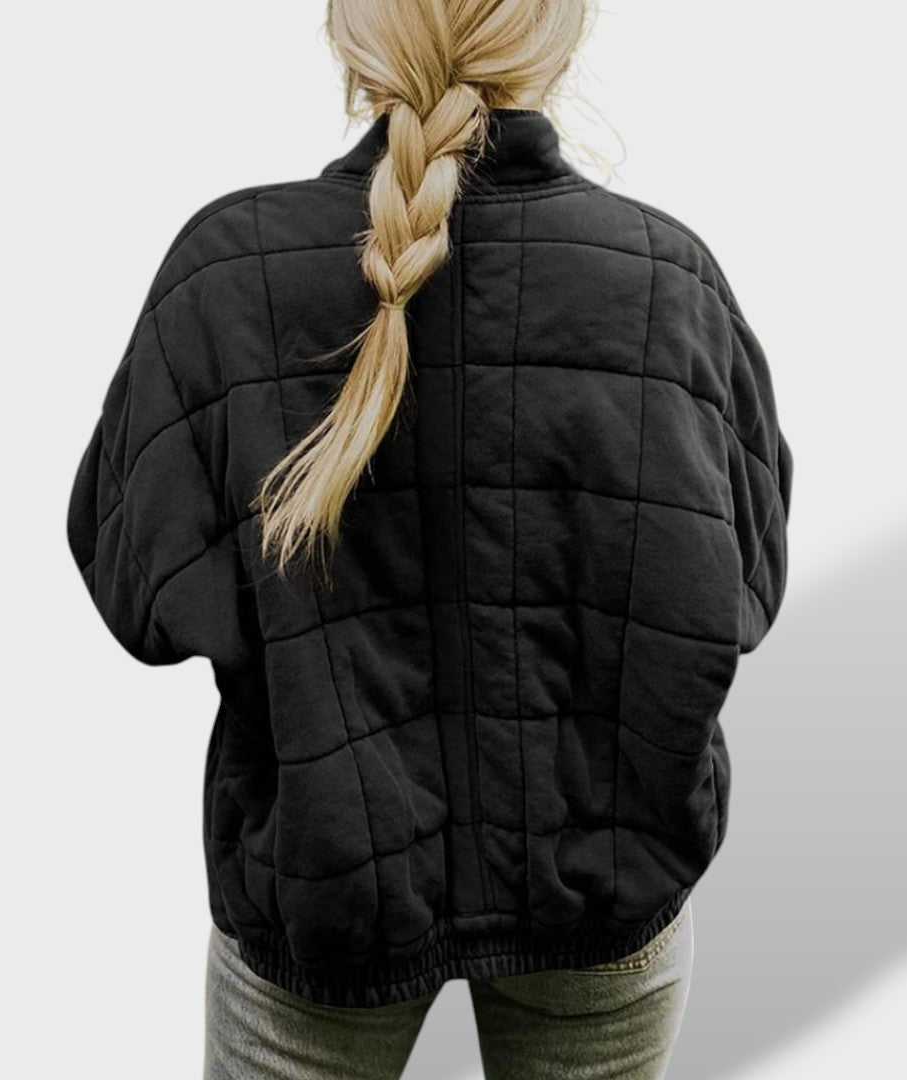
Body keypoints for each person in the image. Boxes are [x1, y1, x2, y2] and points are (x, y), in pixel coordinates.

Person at [66, 1, 793, 1077]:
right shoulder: (667, 283)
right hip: (605, 882)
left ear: (349, 34)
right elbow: (749, 589)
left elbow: (138, 594)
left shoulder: (228, 272)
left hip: (325, 894)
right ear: (559, 36)